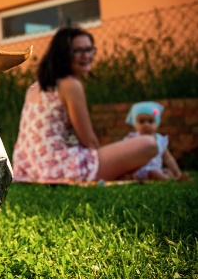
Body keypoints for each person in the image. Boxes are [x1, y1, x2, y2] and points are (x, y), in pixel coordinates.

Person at [12, 26, 158, 182]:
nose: (87, 55)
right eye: (78, 51)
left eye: (89, 49)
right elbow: (88, 141)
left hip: (29, 168)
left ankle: (131, 174)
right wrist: (104, 162)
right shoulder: (70, 85)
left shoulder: (34, 87)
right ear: (63, 55)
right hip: (60, 167)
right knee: (149, 144)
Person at [124, 101, 189, 181]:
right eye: (142, 121)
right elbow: (126, 157)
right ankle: (172, 180)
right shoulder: (133, 139)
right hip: (141, 171)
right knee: (153, 172)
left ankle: (176, 176)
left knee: (166, 171)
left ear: (157, 123)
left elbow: (168, 158)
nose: (146, 125)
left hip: (156, 169)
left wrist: (177, 172)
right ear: (135, 123)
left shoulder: (160, 140)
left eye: (150, 121)